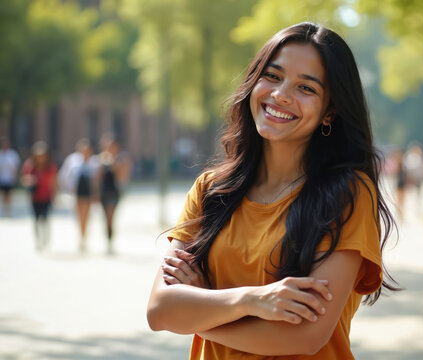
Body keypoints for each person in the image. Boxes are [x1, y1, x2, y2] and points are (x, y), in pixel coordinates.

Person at [147, 22, 397, 359]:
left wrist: (198, 309)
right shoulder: (210, 190)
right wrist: (253, 300)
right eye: (273, 76)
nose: (281, 95)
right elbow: (160, 309)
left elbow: (305, 337)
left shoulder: (347, 194)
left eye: (306, 88)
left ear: (330, 112)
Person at [58, 138, 100, 252]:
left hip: (88, 193)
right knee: (78, 215)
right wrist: (68, 187)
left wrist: (96, 193)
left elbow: (97, 179)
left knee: (86, 216)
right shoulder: (72, 161)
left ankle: (84, 236)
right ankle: (81, 236)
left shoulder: (95, 162)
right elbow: (63, 176)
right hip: (76, 193)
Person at [98, 133, 132, 254]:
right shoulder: (100, 160)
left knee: (111, 217)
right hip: (103, 192)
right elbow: (97, 178)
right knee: (105, 217)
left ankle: (110, 241)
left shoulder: (121, 159)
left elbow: (122, 178)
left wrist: (114, 164)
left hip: (114, 192)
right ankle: (107, 239)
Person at [21, 141, 58, 251]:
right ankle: (38, 240)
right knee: (36, 219)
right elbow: (24, 179)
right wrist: (30, 181)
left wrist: (55, 196)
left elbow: (54, 182)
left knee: (45, 219)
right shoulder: (30, 166)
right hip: (35, 197)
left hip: (46, 197)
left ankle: (45, 238)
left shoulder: (51, 167)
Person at [0, 137, 21, 216]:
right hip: (1, 178)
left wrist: (15, 176)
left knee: (9, 194)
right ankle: (4, 208)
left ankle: (8, 209)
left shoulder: (12, 154)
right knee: (3, 194)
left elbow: (16, 166)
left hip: (9, 178)